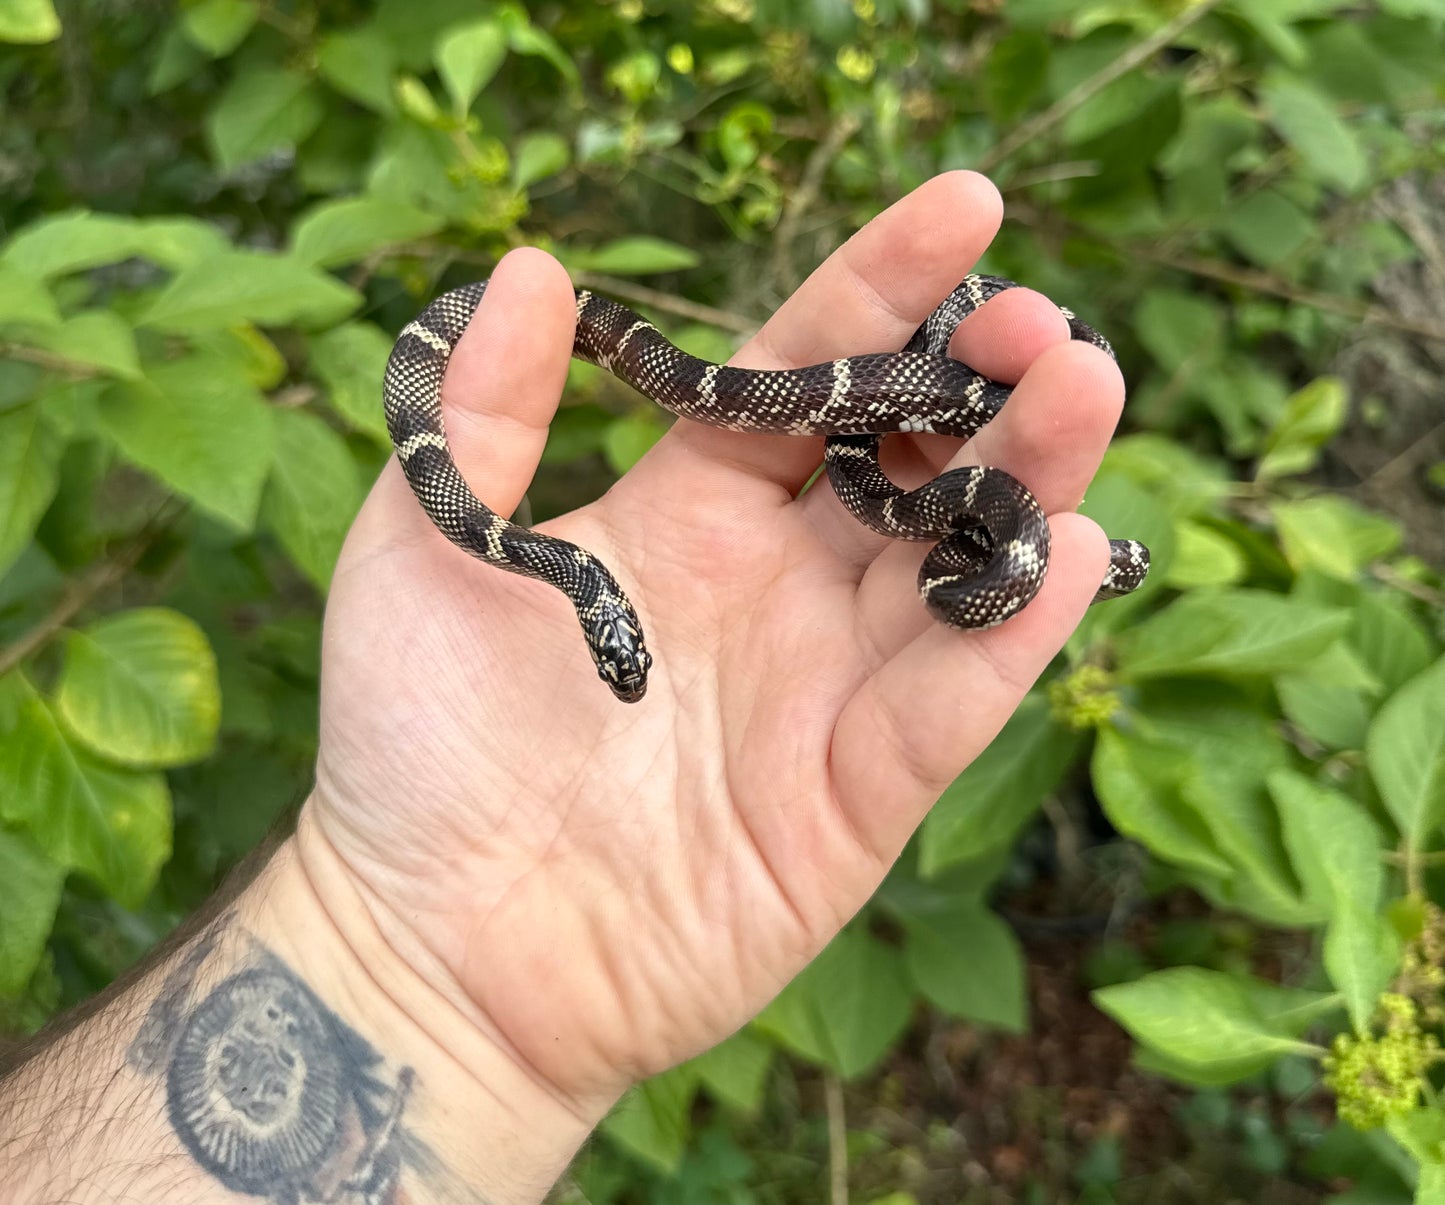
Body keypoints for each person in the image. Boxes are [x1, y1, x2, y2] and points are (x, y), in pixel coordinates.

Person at [0, 172, 1127, 1204]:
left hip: (920, 476)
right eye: (621, 648)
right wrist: (382, 935)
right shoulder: (505, 546)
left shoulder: (891, 480)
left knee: (1025, 376)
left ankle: (1032, 523)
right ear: (607, 619)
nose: (625, 663)